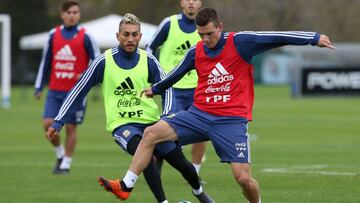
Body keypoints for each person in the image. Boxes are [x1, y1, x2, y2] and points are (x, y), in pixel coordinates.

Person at [101, 7, 336, 203]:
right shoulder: (197, 50)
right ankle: (126, 185)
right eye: (201, 34)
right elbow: (176, 73)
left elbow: (275, 36)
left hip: (231, 121)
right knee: (151, 133)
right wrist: (156, 89)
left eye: (210, 34)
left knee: (243, 179)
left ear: (220, 27)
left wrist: (313, 38)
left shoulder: (241, 42)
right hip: (199, 115)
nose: (205, 39)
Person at [46, 13, 214, 203]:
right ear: (118, 36)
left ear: (140, 37)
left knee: (181, 163)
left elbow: (167, 89)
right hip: (123, 125)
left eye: (135, 35)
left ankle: (199, 192)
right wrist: (59, 121)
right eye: (126, 34)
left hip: (152, 123)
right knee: (147, 157)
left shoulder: (149, 60)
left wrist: (167, 116)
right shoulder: (103, 62)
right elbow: (78, 91)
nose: (130, 39)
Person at [34, 0, 100, 175]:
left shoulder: (86, 36)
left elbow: (98, 61)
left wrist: (86, 75)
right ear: (62, 14)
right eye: (69, 12)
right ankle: (60, 154)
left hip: (76, 92)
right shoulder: (53, 35)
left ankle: (66, 164)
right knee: (48, 123)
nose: (72, 15)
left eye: (75, 12)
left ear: (79, 15)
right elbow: (45, 61)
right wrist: (39, 86)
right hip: (55, 90)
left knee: (71, 127)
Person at [146, 0, 207, 182]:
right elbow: (150, 47)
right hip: (172, 89)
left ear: (199, 3)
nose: (191, 3)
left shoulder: (204, 27)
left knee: (202, 130)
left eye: (195, 0)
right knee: (166, 129)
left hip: (198, 87)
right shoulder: (169, 23)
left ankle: (194, 172)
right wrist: (155, 74)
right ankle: (156, 171)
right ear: (182, 3)